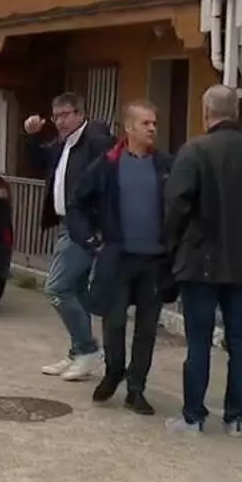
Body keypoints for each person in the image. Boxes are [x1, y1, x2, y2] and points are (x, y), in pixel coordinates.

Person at [163, 85, 242, 436]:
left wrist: (171, 247)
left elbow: (176, 207)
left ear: (206, 112)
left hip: (200, 261)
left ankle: (193, 416)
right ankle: (235, 417)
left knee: (198, 343)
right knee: (241, 344)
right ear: (236, 112)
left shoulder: (194, 151)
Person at [66, 100, 173, 417]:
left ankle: (136, 388)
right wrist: (90, 240)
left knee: (147, 329)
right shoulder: (108, 164)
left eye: (154, 123)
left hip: (154, 262)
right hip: (118, 259)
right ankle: (114, 370)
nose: (152, 128)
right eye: (145, 123)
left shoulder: (165, 166)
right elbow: (77, 203)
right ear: (129, 127)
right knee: (113, 323)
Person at [24, 93, 114, 381]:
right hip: (66, 224)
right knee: (75, 289)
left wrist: (97, 228)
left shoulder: (96, 142)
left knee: (57, 288)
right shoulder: (63, 144)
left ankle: (88, 349)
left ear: (80, 114)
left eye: (66, 115)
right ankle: (78, 352)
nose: (60, 121)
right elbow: (39, 161)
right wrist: (32, 136)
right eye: (56, 116)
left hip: (84, 227)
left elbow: (108, 185)